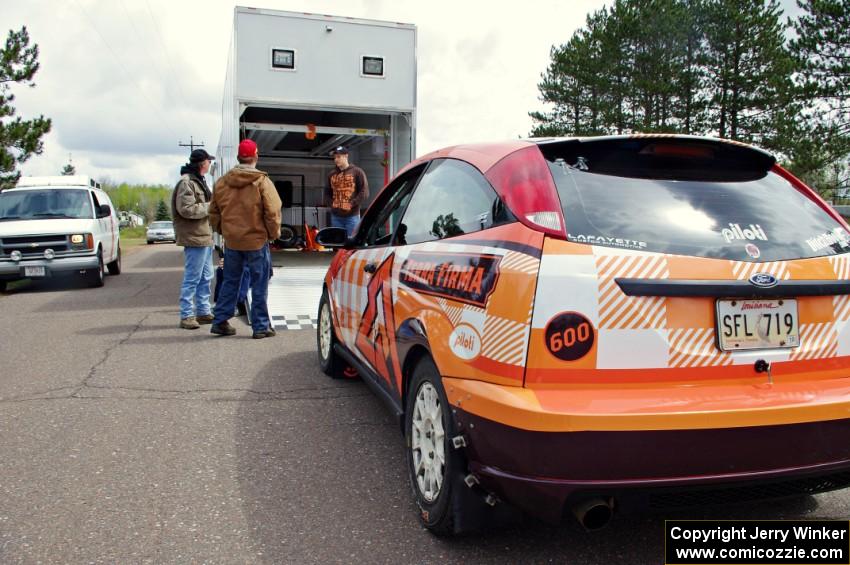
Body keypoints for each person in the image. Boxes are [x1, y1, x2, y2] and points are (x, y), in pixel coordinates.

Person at [208, 139, 282, 338]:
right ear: (256, 156)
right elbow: (273, 211)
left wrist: (225, 231)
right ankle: (260, 326)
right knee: (259, 283)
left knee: (230, 281)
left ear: (238, 157)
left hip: (232, 242)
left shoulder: (222, 182)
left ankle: (220, 321)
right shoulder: (261, 181)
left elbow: (213, 213)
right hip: (257, 242)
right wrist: (273, 234)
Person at [172, 148, 215, 330]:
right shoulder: (186, 183)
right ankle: (186, 315)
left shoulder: (199, 181)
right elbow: (186, 209)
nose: (210, 164)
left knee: (207, 276)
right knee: (193, 277)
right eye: (208, 161)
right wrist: (211, 206)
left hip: (205, 236)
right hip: (194, 238)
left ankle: (203, 311)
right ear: (201, 163)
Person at [325, 146, 368, 237]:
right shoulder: (331, 174)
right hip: (336, 216)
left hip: (352, 217)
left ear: (346, 156)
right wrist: (332, 204)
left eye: (339, 157)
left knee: (351, 244)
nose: (336, 159)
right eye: (335, 157)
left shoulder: (357, 172)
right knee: (337, 244)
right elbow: (327, 193)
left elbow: (364, 192)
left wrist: (351, 204)